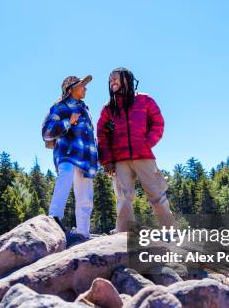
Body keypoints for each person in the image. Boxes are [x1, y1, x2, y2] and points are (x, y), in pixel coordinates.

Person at [96, 67, 177, 233]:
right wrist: (107, 160)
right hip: (119, 160)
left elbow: (158, 123)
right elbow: (102, 134)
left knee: (156, 194)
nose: (112, 82)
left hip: (144, 156)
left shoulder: (145, 100)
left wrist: (147, 143)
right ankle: (124, 234)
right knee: (123, 198)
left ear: (127, 80)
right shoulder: (108, 108)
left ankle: (170, 231)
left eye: (116, 78)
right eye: (110, 79)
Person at [42, 75, 97, 240]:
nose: (85, 88)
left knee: (85, 195)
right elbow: (46, 132)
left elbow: (90, 135)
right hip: (67, 153)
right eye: (82, 85)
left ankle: (83, 233)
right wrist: (67, 122)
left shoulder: (85, 109)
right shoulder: (60, 107)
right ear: (71, 89)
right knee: (64, 179)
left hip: (86, 158)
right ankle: (54, 220)